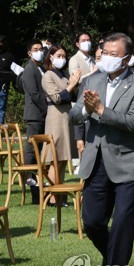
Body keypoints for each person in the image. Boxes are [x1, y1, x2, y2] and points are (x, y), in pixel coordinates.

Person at [70, 32, 134, 266]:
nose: (107, 58)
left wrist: (102, 111)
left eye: (114, 55)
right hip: (96, 161)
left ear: (126, 59)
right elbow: (74, 115)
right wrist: (86, 110)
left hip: (129, 162)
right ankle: (112, 255)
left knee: (122, 222)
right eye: (104, 52)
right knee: (92, 221)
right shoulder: (91, 79)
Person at [42, 43, 81, 206]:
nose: (62, 59)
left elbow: (72, 95)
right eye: (58, 56)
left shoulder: (63, 75)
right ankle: (52, 196)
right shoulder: (48, 76)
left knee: (64, 159)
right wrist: (71, 84)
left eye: (64, 56)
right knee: (56, 158)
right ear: (50, 57)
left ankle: (60, 193)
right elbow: (57, 98)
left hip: (66, 118)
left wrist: (75, 83)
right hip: (55, 119)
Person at [21, 39, 47, 199]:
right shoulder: (29, 70)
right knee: (32, 147)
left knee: (40, 148)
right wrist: (48, 108)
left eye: (41, 49)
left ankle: (37, 178)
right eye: (35, 49)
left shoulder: (41, 68)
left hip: (42, 115)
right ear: (29, 53)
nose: (39, 51)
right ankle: (28, 176)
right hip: (35, 115)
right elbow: (34, 93)